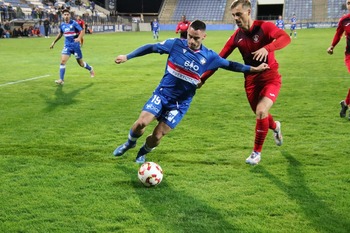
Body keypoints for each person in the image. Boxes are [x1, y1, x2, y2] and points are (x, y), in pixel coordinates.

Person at [113, 20, 269, 164]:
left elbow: (231, 65)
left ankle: (142, 152)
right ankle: (129, 143)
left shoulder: (209, 56)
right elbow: (151, 47)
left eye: (196, 38)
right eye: (190, 37)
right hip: (162, 95)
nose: (192, 41)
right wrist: (127, 56)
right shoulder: (175, 45)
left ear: (204, 37)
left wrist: (253, 69)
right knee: (141, 123)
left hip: (180, 105)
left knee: (157, 136)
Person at [201, 0, 291, 165]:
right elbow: (219, 60)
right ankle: (275, 127)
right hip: (251, 81)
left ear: (249, 12)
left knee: (261, 110)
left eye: (239, 14)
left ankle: (256, 153)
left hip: (270, 77)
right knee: (260, 114)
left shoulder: (265, 27)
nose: (236, 18)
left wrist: (268, 48)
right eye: (234, 15)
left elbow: (285, 38)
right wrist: (203, 79)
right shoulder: (236, 37)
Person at [50, 9, 94, 85]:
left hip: (75, 46)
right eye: (65, 14)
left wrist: (79, 38)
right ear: (63, 16)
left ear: (70, 15)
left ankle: (90, 68)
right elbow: (60, 34)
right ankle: (61, 80)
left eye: (67, 14)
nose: (66, 16)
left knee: (81, 64)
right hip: (67, 46)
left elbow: (82, 30)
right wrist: (54, 42)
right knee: (63, 61)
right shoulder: (62, 25)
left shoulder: (74, 23)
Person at [327, 0, 350, 119]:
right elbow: (338, 34)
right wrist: (332, 46)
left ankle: (345, 104)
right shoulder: (344, 20)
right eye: (349, 2)